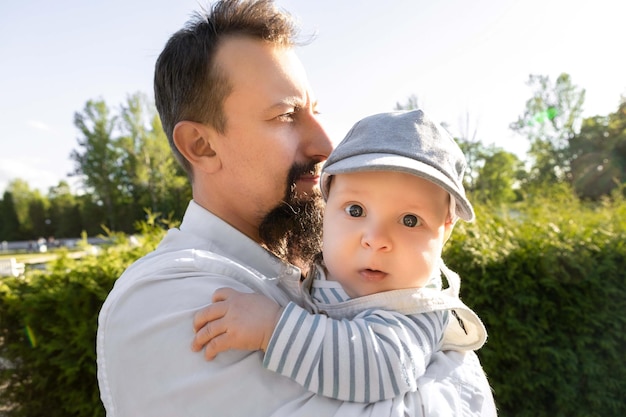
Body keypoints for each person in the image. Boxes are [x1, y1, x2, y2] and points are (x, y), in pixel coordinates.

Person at [96, 0, 497, 416]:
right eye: (287, 115)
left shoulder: (328, 271)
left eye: (315, 111)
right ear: (202, 145)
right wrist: (455, 370)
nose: (326, 145)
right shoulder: (164, 302)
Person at [191, 109, 488, 403]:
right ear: (327, 207)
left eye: (409, 220)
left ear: (445, 229)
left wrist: (273, 328)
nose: (375, 240)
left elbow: (379, 369)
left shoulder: (415, 308)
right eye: (355, 210)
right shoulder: (319, 268)